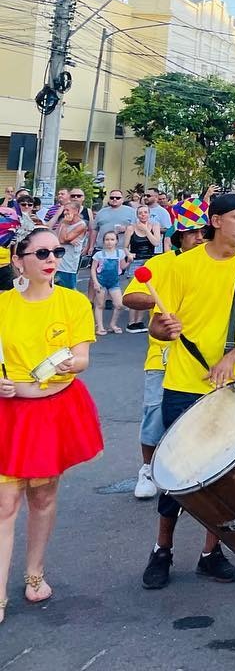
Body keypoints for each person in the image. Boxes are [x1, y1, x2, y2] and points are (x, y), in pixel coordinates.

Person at [141, 193, 235, 589]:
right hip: (182, 385)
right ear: (215, 221)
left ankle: (210, 552)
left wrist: (232, 359)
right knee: (178, 477)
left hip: (232, 387)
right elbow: (155, 326)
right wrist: (161, 330)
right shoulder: (182, 267)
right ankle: (162, 550)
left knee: (224, 476)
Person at [0, 228, 104, 621]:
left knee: (42, 497)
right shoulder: (2, 305)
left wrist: (70, 364)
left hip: (54, 410)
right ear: (18, 259)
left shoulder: (73, 302)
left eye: (56, 251)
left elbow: (82, 358)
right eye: (41, 252)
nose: (51, 259)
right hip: (8, 412)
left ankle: (34, 575)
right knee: (5, 504)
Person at [123, 198, 208, 502]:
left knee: (201, 416)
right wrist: (159, 301)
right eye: (193, 232)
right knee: (154, 412)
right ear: (179, 237)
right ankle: (148, 468)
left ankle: (192, 469)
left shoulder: (216, 266)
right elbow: (130, 297)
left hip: (204, 357)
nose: (199, 238)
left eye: (203, 232)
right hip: (163, 355)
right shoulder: (160, 264)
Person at [90, 229, 131, 335]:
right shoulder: (99, 254)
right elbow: (93, 269)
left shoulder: (120, 253)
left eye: (112, 239)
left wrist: (129, 261)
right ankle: (100, 326)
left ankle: (113, 324)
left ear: (116, 241)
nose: (109, 242)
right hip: (101, 281)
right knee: (100, 304)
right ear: (103, 241)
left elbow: (122, 267)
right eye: (107, 239)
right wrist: (96, 282)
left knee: (119, 304)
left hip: (114, 282)